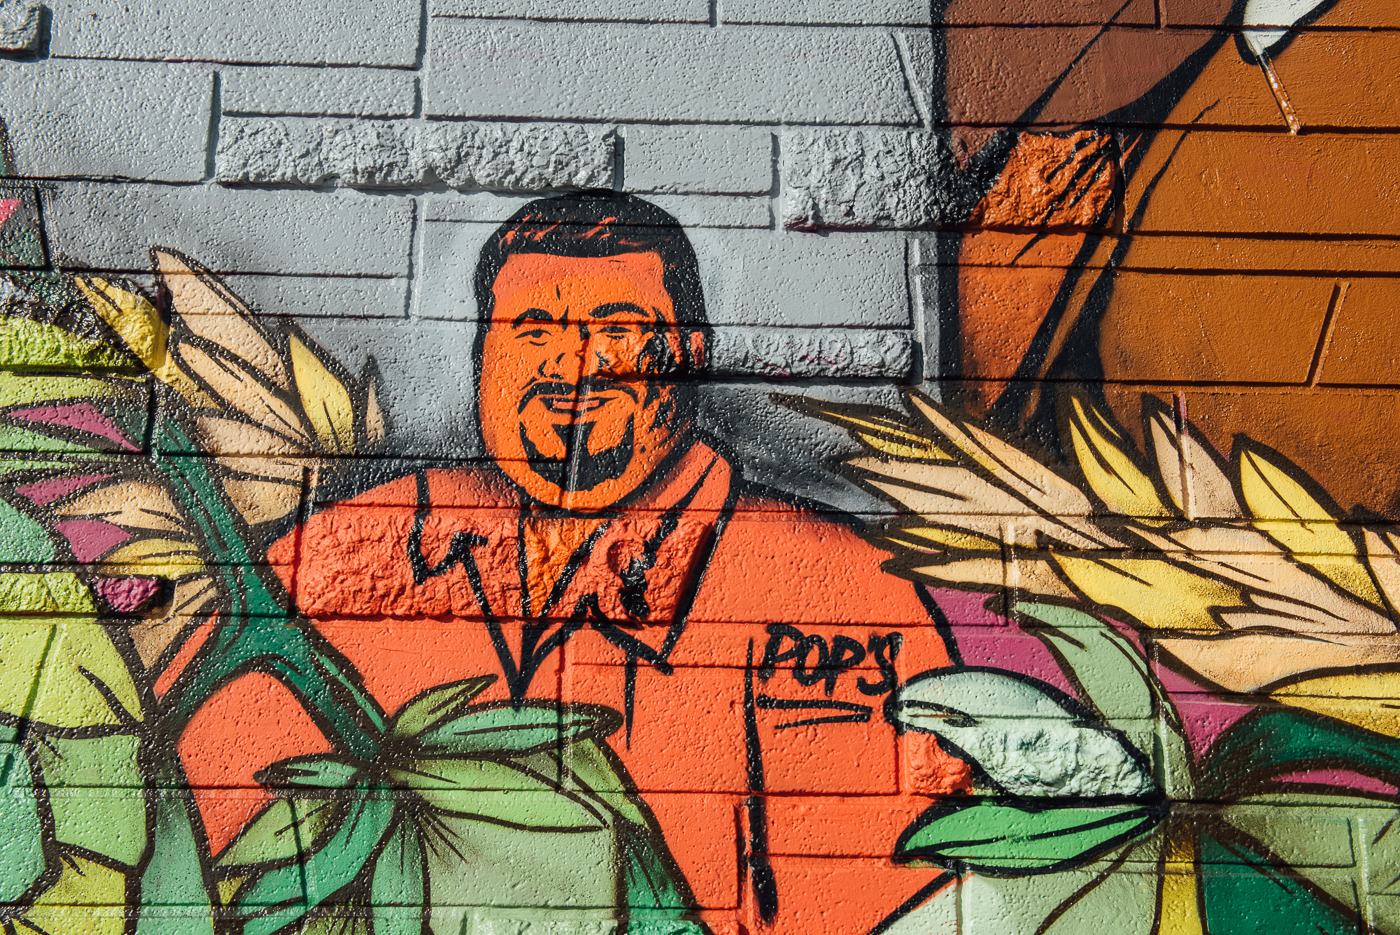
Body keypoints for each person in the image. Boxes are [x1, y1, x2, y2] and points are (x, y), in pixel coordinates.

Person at [177, 191, 968, 935]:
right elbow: (207, 823)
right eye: (533, 330)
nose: (571, 363)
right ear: (484, 352)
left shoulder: (839, 591)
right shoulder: (351, 548)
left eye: (617, 328)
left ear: (689, 355)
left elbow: (896, 891)